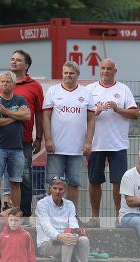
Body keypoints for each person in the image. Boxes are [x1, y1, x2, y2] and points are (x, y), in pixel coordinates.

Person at [0, 50, 45, 216]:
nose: (14, 62)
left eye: (18, 60)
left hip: (22, 142)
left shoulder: (35, 86)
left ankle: (21, 214)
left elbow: (36, 113)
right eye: (12, 59)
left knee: (23, 178)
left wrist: (39, 137)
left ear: (27, 65)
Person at [87, 58, 139, 225]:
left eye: (109, 69)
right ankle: (95, 217)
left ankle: (119, 216)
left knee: (118, 181)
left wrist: (118, 109)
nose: (105, 71)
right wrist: (96, 111)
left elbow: (135, 114)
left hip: (118, 144)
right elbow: (81, 116)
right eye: (103, 68)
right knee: (95, 181)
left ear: (115, 71)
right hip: (96, 144)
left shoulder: (123, 89)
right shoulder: (90, 89)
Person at [42, 61, 96, 207]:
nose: (68, 76)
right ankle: (51, 213)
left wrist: (88, 142)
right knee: (54, 183)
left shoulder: (86, 93)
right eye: (65, 73)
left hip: (77, 148)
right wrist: (48, 139)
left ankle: (72, 215)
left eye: (71, 73)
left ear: (77, 75)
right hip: (56, 147)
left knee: (73, 183)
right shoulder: (53, 91)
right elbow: (45, 117)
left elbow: (91, 119)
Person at [0, 71, 30, 213]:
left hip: (17, 148)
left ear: (14, 84)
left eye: (8, 81)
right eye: (2, 81)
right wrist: (16, 117)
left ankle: (16, 213)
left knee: (16, 182)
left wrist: (5, 111)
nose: (5, 84)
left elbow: (27, 115)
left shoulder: (20, 100)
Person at [36, 177, 90, 262]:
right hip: (47, 243)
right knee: (67, 241)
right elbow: (46, 227)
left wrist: (75, 235)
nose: (57, 191)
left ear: (65, 190)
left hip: (66, 239)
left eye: (60, 189)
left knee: (84, 240)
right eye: (55, 188)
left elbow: (73, 223)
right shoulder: (42, 204)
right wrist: (60, 236)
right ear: (50, 189)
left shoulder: (69, 204)